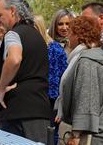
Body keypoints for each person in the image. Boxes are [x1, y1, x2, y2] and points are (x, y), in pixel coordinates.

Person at [0, 0, 50, 143]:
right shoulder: (37, 35)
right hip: (40, 109)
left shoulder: (13, 34)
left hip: (18, 113)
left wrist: (0, 87)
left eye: (0, 14)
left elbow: (14, 58)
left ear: (12, 11)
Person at [56, 16, 103, 145]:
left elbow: (86, 98)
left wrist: (76, 134)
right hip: (97, 129)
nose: (68, 37)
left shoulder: (88, 61)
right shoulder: (92, 56)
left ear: (78, 35)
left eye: (70, 32)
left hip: (92, 135)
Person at [34, 15, 67, 144]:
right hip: (35, 98)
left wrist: (61, 104)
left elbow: (64, 77)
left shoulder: (56, 49)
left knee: (50, 135)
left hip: (52, 101)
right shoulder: (30, 47)